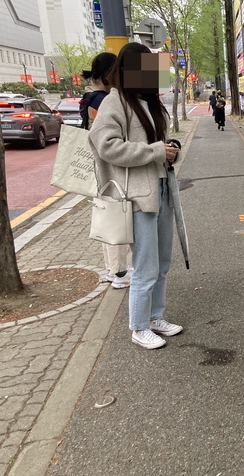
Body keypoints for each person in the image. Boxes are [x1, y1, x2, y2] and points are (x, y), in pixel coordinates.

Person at [89, 42, 182, 350]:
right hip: (137, 197)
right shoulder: (114, 102)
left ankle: (155, 317)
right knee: (146, 265)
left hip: (162, 190)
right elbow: (106, 145)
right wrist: (155, 151)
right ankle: (139, 327)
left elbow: (158, 145)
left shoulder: (150, 102)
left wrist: (170, 149)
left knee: (163, 262)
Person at [80, 52, 133, 290]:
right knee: (116, 219)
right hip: (110, 169)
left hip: (100, 168)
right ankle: (119, 272)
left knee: (108, 217)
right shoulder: (104, 101)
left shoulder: (90, 98)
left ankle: (113, 270)